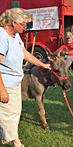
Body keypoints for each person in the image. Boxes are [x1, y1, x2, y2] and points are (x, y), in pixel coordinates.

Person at [0, 8, 51, 147]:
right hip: (5, 83)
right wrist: (2, 90)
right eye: (24, 24)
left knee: (15, 112)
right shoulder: (2, 37)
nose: (26, 27)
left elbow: (25, 54)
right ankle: (16, 143)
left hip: (16, 82)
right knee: (8, 114)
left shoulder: (15, 35)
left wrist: (43, 65)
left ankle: (8, 137)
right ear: (14, 22)